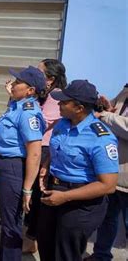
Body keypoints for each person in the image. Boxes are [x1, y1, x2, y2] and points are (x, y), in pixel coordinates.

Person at [37, 80, 119, 261]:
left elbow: (108, 185)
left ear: (79, 108)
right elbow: (56, 147)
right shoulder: (63, 123)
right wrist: (46, 165)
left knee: (66, 254)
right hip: (54, 191)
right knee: (45, 245)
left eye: (64, 102)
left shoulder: (101, 138)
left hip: (80, 202)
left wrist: (65, 197)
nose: (59, 104)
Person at [0, 66, 46, 260]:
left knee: (11, 225)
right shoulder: (18, 105)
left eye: (17, 83)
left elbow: (34, 153)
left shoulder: (29, 113)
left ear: (30, 90)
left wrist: (27, 189)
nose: (12, 85)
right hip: (5, 165)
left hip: (14, 168)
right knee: (7, 221)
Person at [23, 59, 67, 253]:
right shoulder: (46, 94)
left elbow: (41, 122)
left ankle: (32, 239)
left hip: (44, 150)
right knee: (31, 195)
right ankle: (30, 236)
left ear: (50, 79)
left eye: (40, 72)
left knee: (37, 194)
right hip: (37, 147)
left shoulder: (56, 96)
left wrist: (24, 100)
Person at [84, 83, 128, 261]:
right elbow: (117, 115)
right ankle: (101, 255)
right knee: (107, 218)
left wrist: (105, 115)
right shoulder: (125, 91)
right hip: (113, 171)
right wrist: (109, 108)